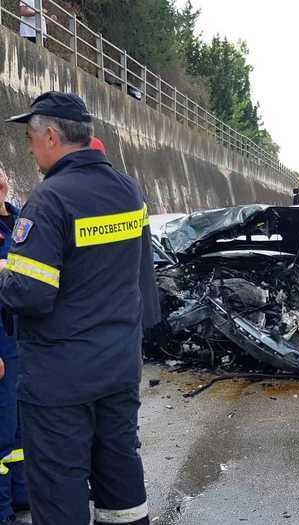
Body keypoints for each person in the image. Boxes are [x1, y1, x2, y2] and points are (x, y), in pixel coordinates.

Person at [2, 91, 156, 525]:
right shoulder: (129, 190)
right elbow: (143, 279)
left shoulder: (50, 200)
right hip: (119, 367)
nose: (30, 149)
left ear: (51, 136)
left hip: (60, 380)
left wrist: (4, 274)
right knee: (120, 472)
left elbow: (30, 294)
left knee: (58, 486)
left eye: (30, 139)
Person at [0, 168, 29, 525]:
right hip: (2, 341)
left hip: (24, 339)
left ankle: (22, 495)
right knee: (2, 430)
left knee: (21, 426)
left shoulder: (22, 221)